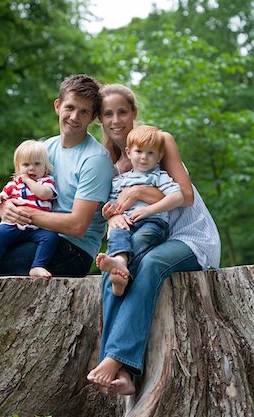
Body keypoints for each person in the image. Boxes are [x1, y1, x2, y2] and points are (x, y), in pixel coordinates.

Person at [87, 83, 221, 395]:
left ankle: (114, 357)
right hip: (144, 238)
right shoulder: (109, 163)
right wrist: (113, 215)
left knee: (148, 265)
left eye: (123, 112)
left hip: (189, 237)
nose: (116, 120)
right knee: (117, 268)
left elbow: (184, 196)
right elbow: (108, 208)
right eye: (108, 114)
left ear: (134, 113)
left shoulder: (159, 141)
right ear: (99, 119)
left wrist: (137, 192)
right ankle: (126, 375)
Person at [0, 74, 115, 277]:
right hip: (32, 235)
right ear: (58, 106)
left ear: (92, 117)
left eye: (84, 112)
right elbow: (19, 186)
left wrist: (25, 213)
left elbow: (77, 226)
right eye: (70, 107)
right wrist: (3, 206)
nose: (75, 117)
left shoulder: (95, 159)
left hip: (72, 251)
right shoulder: (45, 148)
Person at [96, 125, 184, 296]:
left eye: (150, 153)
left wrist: (149, 210)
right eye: (139, 151)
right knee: (116, 234)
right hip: (127, 222)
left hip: (153, 222)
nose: (144, 157)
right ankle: (119, 263)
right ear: (129, 152)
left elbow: (178, 197)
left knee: (140, 239)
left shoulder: (158, 176)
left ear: (159, 157)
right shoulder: (119, 181)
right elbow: (113, 206)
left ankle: (124, 277)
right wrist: (109, 215)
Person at [0, 139, 59, 279]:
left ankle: (38, 266)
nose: (31, 168)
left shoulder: (46, 181)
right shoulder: (13, 184)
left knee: (51, 237)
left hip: (38, 227)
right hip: (14, 225)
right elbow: (3, 195)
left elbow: (44, 194)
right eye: (26, 165)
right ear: (18, 168)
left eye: (37, 164)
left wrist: (28, 180)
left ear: (45, 167)